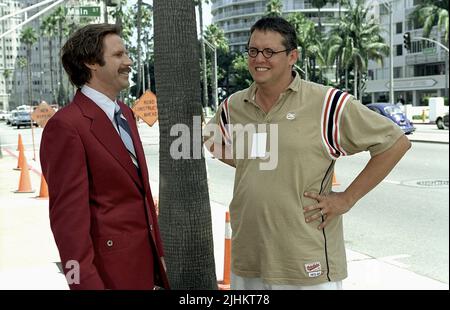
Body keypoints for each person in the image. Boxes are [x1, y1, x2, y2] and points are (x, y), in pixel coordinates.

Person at [204, 16, 411, 290]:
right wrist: (250, 161)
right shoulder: (234, 106)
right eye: (253, 51)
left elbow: (395, 142)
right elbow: (210, 138)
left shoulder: (328, 104)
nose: (258, 59)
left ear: (292, 56)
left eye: (269, 52)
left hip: (305, 258)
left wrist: (346, 199)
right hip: (249, 256)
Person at [40, 24, 169, 290]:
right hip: (107, 277)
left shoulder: (124, 113)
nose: (129, 61)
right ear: (91, 63)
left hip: (145, 269)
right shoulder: (67, 126)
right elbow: (69, 226)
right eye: (119, 55)